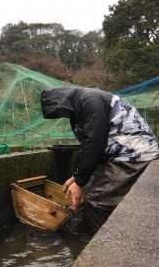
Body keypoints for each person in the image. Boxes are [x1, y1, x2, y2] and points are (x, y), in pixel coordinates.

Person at [40, 86, 159, 237]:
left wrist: (80, 182)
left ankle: (107, 243)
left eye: (57, 111)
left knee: (95, 202)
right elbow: (87, 147)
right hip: (127, 152)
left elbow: (94, 144)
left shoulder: (89, 100)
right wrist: (77, 177)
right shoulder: (82, 103)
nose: (60, 115)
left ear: (61, 101)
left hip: (133, 154)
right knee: (98, 193)